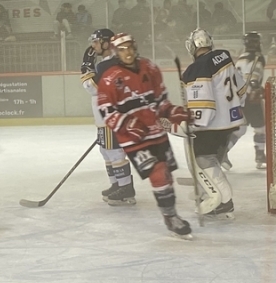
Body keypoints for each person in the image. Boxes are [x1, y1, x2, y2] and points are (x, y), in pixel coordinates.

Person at [96, 33, 192, 239]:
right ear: (115, 52)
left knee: (166, 175)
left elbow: (160, 101)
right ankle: (172, 218)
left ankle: (170, 215)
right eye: (122, 50)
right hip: (133, 138)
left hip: (156, 131)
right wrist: (127, 124)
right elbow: (106, 109)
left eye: (130, 47)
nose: (127, 52)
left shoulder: (150, 68)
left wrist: (172, 111)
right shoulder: (110, 78)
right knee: (157, 173)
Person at [181, 29, 247, 219]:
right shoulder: (224, 56)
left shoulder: (196, 68)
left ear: (193, 46)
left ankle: (224, 201)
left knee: (202, 159)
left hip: (213, 124)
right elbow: (241, 90)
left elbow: (204, 104)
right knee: (213, 159)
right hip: (231, 122)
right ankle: (207, 193)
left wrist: (193, 124)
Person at [80, 28, 136, 205]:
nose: (93, 45)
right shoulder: (113, 61)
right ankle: (116, 185)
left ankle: (125, 188)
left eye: (96, 42)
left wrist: (86, 68)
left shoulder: (108, 65)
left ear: (106, 43)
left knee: (114, 152)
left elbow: (92, 88)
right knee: (106, 151)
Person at [227, 31, 267, 169]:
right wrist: (256, 88)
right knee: (261, 128)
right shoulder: (258, 57)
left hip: (237, 97)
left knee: (240, 129)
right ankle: (260, 155)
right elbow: (254, 77)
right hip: (249, 98)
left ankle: (222, 154)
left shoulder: (241, 57)